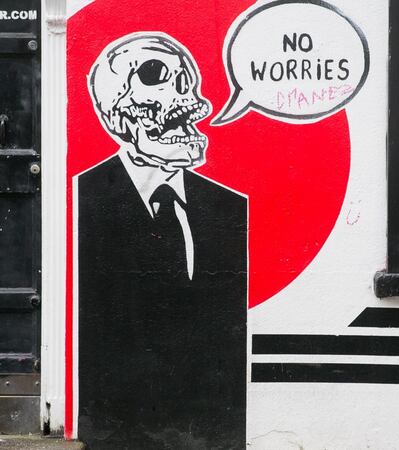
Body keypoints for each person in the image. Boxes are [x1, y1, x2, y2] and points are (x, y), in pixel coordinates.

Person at [77, 34, 246, 449]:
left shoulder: (229, 207)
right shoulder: (86, 197)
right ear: (117, 115)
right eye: (156, 78)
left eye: (186, 83)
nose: (185, 99)